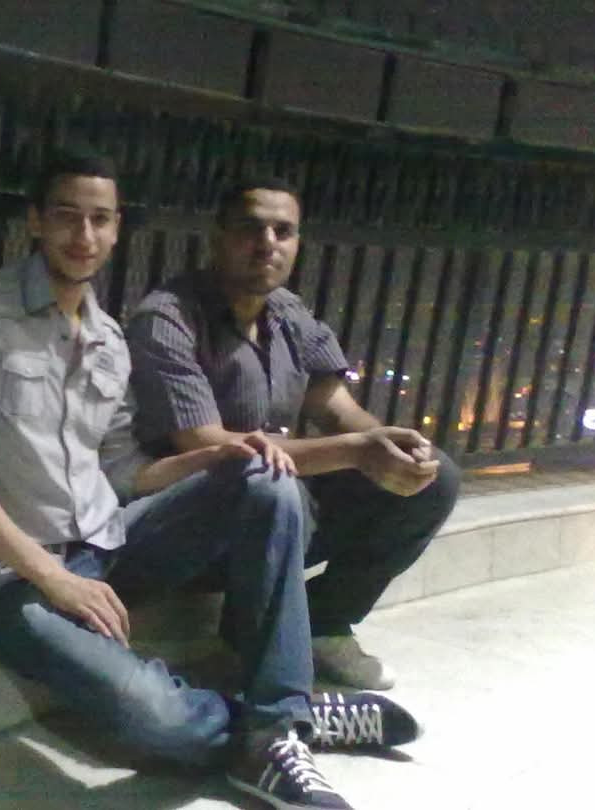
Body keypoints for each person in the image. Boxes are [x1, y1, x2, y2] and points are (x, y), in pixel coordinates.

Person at [0, 151, 419, 810]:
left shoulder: (106, 337)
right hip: (11, 581)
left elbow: (128, 472)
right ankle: (280, 726)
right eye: (67, 216)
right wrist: (54, 578)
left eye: (100, 219)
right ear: (36, 221)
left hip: (109, 543)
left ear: (117, 229)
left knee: (267, 479)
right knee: (155, 718)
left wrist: (226, 456)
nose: (84, 235)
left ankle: (277, 718)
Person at [126, 177, 461, 692]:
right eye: (251, 229)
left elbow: (335, 407)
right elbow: (207, 444)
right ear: (218, 237)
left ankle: (325, 622)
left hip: (272, 500)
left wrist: (391, 446)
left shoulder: (288, 313)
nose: (268, 244)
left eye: (283, 231)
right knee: (276, 488)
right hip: (189, 520)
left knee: (437, 480)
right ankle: (259, 660)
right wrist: (355, 451)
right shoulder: (168, 318)